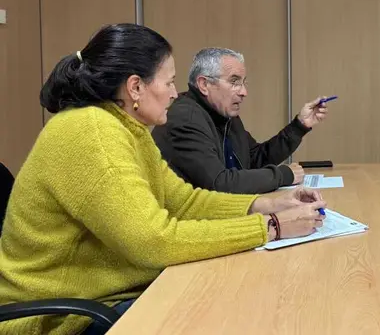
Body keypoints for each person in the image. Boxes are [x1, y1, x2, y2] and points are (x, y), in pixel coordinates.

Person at [0, 24, 326, 335]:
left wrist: (267, 204)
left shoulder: (130, 130)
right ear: (135, 87)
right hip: (63, 318)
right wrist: (271, 227)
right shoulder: (92, 132)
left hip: (112, 293)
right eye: (169, 82)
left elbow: (183, 201)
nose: (173, 93)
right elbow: (154, 241)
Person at [152, 48, 329, 194]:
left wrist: (299, 126)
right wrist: (283, 175)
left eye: (243, 83)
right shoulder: (185, 118)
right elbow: (219, 183)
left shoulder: (224, 113)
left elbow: (256, 159)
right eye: (234, 82)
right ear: (204, 84)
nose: (244, 92)